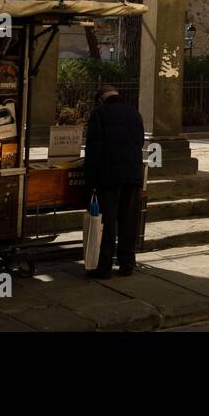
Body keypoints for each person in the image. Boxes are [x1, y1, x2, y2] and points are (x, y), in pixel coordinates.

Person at [84, 85, 146, 279]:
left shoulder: (99, 114)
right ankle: (127, 263)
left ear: (100, 100)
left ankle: (104, 267)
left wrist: (91, 177)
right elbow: (140, 142)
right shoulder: (134, 113)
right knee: (129, 221)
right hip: (133, 174)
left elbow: (94, 148)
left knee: (108, 222)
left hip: (108, 176)